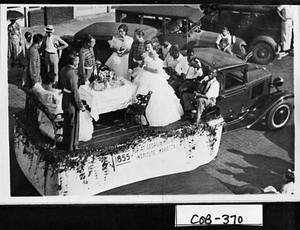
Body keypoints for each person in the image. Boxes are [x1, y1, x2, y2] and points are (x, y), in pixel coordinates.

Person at [132, 40, 183, 127]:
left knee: (156, 96)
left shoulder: (155, 56)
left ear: (152, 47)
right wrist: (140, 64)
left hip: (153, 77)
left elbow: (157, 71)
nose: (148, 49)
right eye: (146, 47)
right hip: (144, 75)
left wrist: (147, 69)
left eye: (149, 47)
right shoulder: (145, 54)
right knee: (140, 91)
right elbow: (144, 64)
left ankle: (153, 116)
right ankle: (141, 114)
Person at [33, 72, 93, 143]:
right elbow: (59, 106)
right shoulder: (54, 95)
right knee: (77, 111)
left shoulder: (38, 89)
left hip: (47, 111)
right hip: (56, 113)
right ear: (52, 82)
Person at [60, 52, 86, 151]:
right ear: (74, 62)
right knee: (73, 124)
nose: (78, 63)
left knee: (66, 123)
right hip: (71, 100)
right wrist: (80, 106)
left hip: (65, 98)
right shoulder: (73, 75)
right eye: (77, 61)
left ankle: (65, 144)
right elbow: (75, 93)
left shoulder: (63, 70)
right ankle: (72, 146)